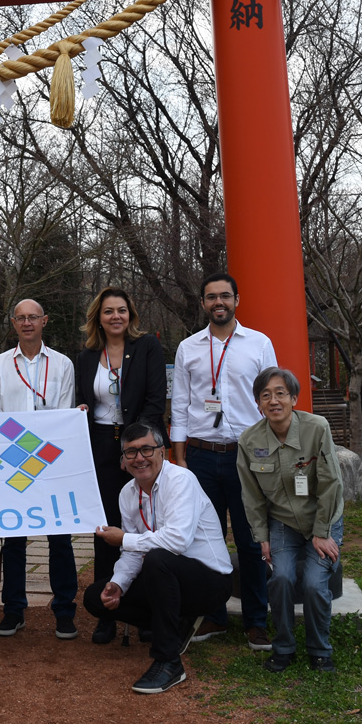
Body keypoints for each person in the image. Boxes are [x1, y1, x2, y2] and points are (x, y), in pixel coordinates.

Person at [170, 272, 280, 648]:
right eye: (211, 297)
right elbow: (181, 406)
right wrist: (180, 459)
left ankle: (255, 620)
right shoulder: (188, 347)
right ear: (203, 303)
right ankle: (214, 616)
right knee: (205, 541)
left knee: (252, 540)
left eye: (225, 296)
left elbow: (273, 399)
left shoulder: (259, 344)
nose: (219, 302)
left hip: (248, 455)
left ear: (237, 299)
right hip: (201, 455)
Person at [84, 422, 232, 695]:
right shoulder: (127, 493)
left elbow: (177, 541)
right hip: (168, 577)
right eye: (131, 453)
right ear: (123, 461)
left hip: (210, 581)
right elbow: (133, 553)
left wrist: (123, 539)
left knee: (157, 559)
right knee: (95, 597)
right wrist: (118, 584)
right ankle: (174, 625)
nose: (139, 458)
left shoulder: (181, 480)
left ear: (163, 452)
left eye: (147, 449)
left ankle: (169, 662)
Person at [73, 285, 166, 645]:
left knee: (144, 525)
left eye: (122, 310)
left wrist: (136, 450)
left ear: (131, 316)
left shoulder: (147, 348)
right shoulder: (86, 356)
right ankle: (106, 613)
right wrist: (80, 408)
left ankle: (144, 608)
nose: (116, 317)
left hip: (140, 445)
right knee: (106, 531)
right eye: (109, 311)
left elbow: (155, 401)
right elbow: (83, 399)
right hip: (98, 448)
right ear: (99, 316)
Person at [0, 298, 79, 640]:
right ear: (13, 323)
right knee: (14, 539)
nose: (27, 323)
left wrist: (38, 450)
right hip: (12, 463)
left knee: (60, 539)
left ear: (44, 321)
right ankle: (13, 610)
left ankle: (65, 611)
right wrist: (23, 451)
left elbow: (62, 414)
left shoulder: (63, 364)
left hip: (51, 461)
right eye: (21, 318)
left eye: (33, 317)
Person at [237, 367, 344, 674]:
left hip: (323, 521)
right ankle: (284, 647)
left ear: (294, 398)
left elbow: (331, 484)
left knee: (313, 583)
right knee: (281, 578)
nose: (273, 401)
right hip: (282, 523)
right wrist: (263, 536)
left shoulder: (317, 428)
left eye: (281, 393)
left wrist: (322, 533)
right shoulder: (249, 440)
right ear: (258, 403)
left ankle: (320, 650)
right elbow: (252, 495)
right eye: (265, 395)